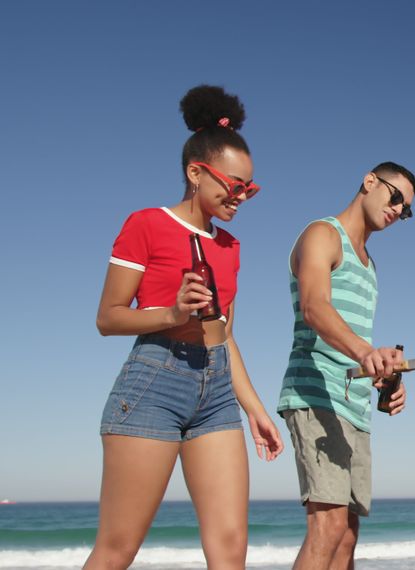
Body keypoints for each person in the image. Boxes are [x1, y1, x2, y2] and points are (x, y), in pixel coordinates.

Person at [87, 85, 283, 569]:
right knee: (118, 548)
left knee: (230, 549)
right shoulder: (147, 224)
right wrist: (172, 315)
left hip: (216, 393)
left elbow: (225, 335)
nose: (241, 196)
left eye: (248, 189)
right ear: (196, 173)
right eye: (233, 185)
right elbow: (108, 317)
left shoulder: (230, 247)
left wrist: (255, 409)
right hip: (155, 380)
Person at [277, 161, 415, 570]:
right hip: (316, 394)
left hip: (353, 404)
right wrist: (364, 352)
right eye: (395, 197)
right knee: (328, 526)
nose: (397, 210)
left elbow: (354, 342)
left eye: (405, 209)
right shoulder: (322, 234)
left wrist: (387, 377)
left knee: (348, 534)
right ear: (369, 181)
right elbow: (314, 306)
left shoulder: (370, 266)